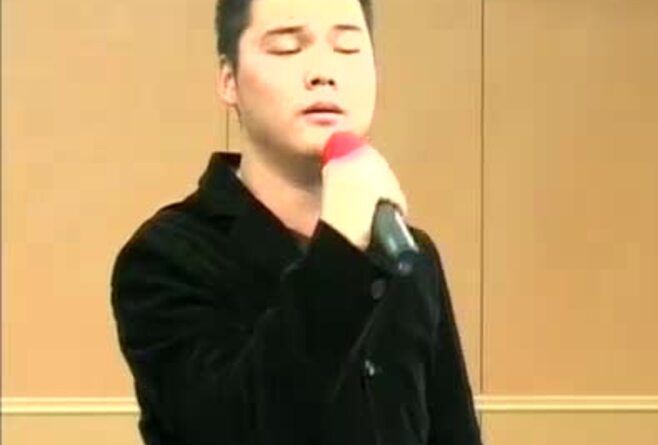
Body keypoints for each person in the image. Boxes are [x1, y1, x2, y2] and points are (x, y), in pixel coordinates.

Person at [110, 0, 482, 444]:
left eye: (347, 48)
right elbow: (233, 428)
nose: (323, 72)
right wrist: (340, 250)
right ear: (229, 81)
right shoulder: (166, 259)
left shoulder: (408, 254)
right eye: (287, 48)